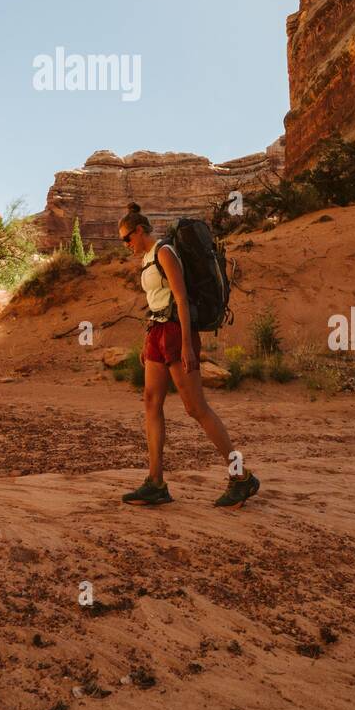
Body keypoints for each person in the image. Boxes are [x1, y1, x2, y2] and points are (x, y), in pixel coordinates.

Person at [118, 202, 260, 509]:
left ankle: (241, 477)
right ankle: (155, 483)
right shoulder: (146, 259)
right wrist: (148, 339)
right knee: (150, 401)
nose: (125, 244)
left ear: (140, 230)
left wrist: (185, 345)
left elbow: (181, 299)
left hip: (174, 332)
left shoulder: (164, 252)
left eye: (126, 238)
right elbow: (158, 300)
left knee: (197, 408)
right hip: (157, 333)